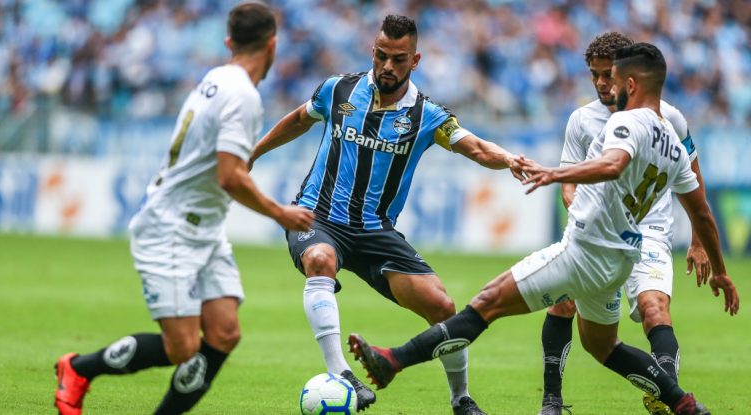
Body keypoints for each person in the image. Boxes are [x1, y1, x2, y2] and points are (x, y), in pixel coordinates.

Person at [347, 43, 740, 415]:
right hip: (620, 259)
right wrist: (721, 270)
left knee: (486, 304)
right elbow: (702, 213)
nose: (609, 88)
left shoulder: (625, 120)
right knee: (604, 347)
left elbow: (612, 165)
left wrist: (556, 173)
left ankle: (392, 361)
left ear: (632, 84)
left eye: (615, 81)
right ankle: (683, 402)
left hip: (583, 253)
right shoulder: (672, 141)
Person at [249, 14, 521, 414]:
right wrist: (254, 152)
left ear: (416, 61)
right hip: (317, 216)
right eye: (381, 56)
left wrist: (511, 159)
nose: (387, 66)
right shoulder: (337, 89)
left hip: (375, 231)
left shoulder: (427, 115)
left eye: (398, 58)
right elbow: (298, 120)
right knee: (319, 260)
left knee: (443, 308)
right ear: (372, 52)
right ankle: (342, 375)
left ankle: (461, 399)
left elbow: (477, 148)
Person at [53, 4, 315, 414]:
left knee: (224, 332)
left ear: (229, 42)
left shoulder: (217, 77)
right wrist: (280, 213)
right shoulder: (243, 95)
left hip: (203, 228)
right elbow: (230, 176)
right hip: (170, 227)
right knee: (183, 346)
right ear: (273, 44)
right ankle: (78, 368)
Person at [538, 32, 711, 415]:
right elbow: (568, 180)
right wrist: (579, 207)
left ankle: (668, 396)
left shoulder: (670, 117)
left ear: (626, 75)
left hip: (649, 233)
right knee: (562, 302)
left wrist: (698, 242)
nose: (601, 84)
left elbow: (693, 179)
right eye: (594, 76)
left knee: (654, 310)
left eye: (607, 76)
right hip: (597, 234)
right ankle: (551, 400)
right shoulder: (581, 120)